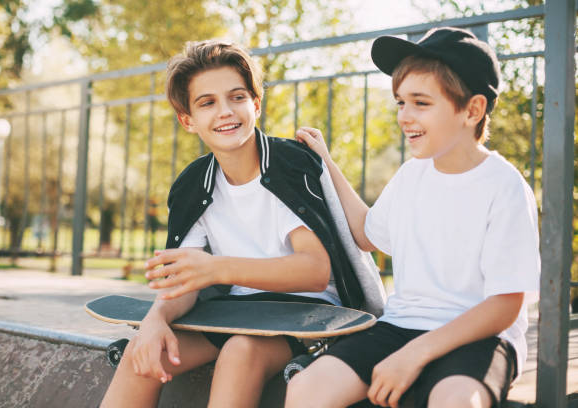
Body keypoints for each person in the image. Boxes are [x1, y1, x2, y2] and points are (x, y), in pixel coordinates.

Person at [100, 40, 385, 408]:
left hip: (308, 315)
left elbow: (314, 270)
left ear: (256, 104)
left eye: (237, 97)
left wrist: (214, 269)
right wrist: (155, 320)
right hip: (237, 312)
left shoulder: (288, 165)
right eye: (207, 103)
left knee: (240, 353)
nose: (225, 112)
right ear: (188, 120)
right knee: (141, 355)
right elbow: (185, 280)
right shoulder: (193, 185)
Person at [285, 27, 540, 408]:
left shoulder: (504, 186)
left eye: (421, 103)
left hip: (480, 338)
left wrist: (416, 354)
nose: (405, 116)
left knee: (456, 402)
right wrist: (325, 163)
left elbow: (505, 306)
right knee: (306, 388)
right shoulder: (411, 175)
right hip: (399, 327)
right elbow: (367, 234)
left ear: (472, 110)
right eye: (400, 102)